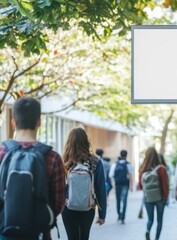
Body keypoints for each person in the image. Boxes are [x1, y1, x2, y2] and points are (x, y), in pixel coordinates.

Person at [0, 97, 66, 240]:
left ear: (13, 123)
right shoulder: (52, 157)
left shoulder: (2, 152)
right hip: (39, 233)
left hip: (3, 230)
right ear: (39, 121)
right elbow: (59, 202)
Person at [62, 128, 107, 240]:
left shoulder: (64, 161)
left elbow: (58, 187)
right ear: (86, 141)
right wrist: (102, 215)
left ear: (69, 142)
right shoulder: (95, 161)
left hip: (68, 207)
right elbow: (101, 189)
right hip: (88, 208)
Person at [138, 147, 169, 240]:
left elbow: (140, 186)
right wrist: (165, 196)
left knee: (150, 219)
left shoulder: (142, 168)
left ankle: (147, 230)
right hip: (160, 198)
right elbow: (165, 185)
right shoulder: (162, 169)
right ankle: (156, 238)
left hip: (148, 198)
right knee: (159, 220)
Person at [109, 149, 134, 224]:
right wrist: (132, 186)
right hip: (126, 184)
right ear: (126, 155)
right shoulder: (128, 164)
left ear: (120, 154)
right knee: (124, 200)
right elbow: (131, 175)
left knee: (118, 200)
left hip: (117, 184)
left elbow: (111, 175)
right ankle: (123, 217)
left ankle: (119, 215)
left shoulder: (115, 164)